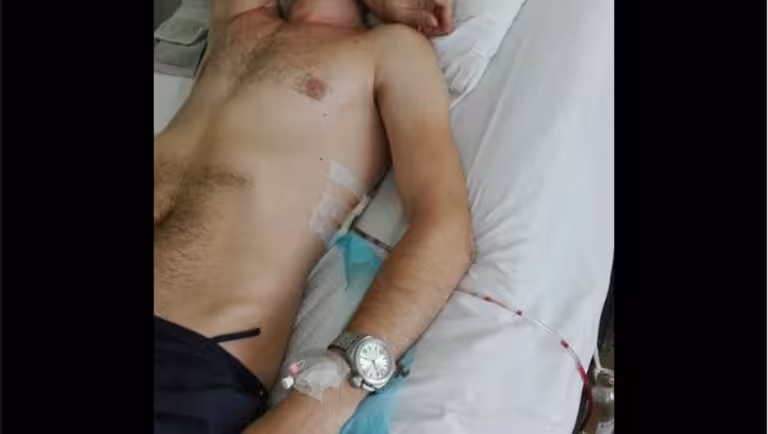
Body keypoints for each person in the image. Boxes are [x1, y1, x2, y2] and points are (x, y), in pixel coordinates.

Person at [153, 0, 473, 432]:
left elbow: (446, 230)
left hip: (189, 363)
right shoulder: (241, 20)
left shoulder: (391, 52)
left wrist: (331, 391)